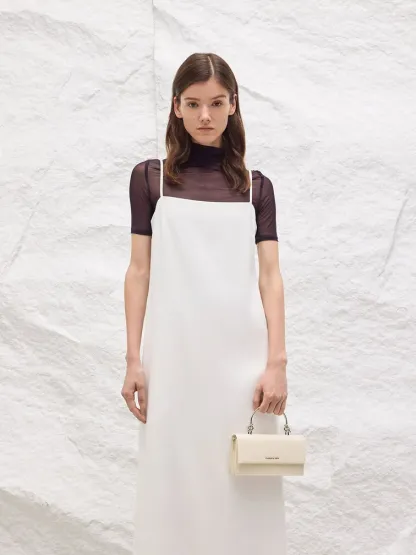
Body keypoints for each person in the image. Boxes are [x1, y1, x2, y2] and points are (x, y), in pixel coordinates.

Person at [122, 52, 288, 555]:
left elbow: (270, 277)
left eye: (216, 103)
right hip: (174, 359)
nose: (205, 116)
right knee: (172, 480)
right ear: (176, 106)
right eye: (193, 104)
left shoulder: (256, 188)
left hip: (241, 362)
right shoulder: (150, 179)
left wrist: (277, 363)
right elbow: (139, 271)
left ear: (233, 105)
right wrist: (133, 359)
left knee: (243, 484)